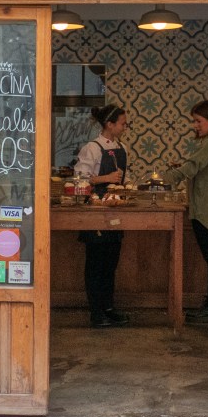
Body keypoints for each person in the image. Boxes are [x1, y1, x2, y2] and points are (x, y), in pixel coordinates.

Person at [164, 100, 208, 323]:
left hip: (207, 210)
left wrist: (167, 179)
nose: (195, 125)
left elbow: (193, 166)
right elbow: (196, 166)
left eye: (198, 121)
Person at [75, 104, 131, 328]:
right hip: (95, 210)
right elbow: (80, 179)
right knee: (96, 262)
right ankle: (96, 312)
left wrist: (128, 184)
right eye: (123, 124)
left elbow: (124, 177)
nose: (125, 127)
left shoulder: (122, 148)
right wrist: (106, 178)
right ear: (110, 124)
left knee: (111, 261)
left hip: (115, 209)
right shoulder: (92, 148)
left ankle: (108, 307)